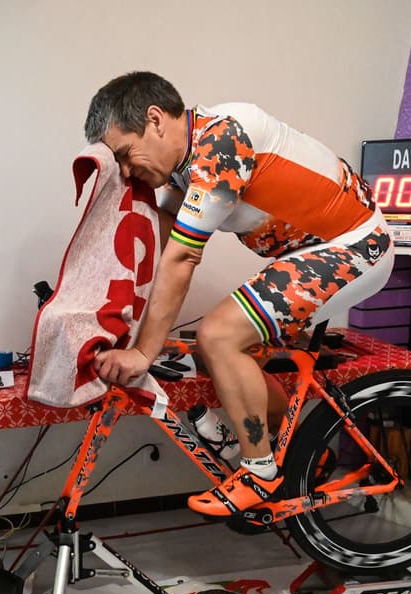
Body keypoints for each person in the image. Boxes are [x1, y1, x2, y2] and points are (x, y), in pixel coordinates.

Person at [85, 71, 393, 518]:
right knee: (211, 349)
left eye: (126, 156)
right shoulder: (185, 166)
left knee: (219, 336)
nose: (129, 172)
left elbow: (180, 260)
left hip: (357, 245)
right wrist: (106, 305)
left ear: (155, 120)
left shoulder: (223, 142)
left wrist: (142, 354)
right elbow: (159, 244)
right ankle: (298, 445)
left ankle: (260, 473)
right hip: (316, 250)